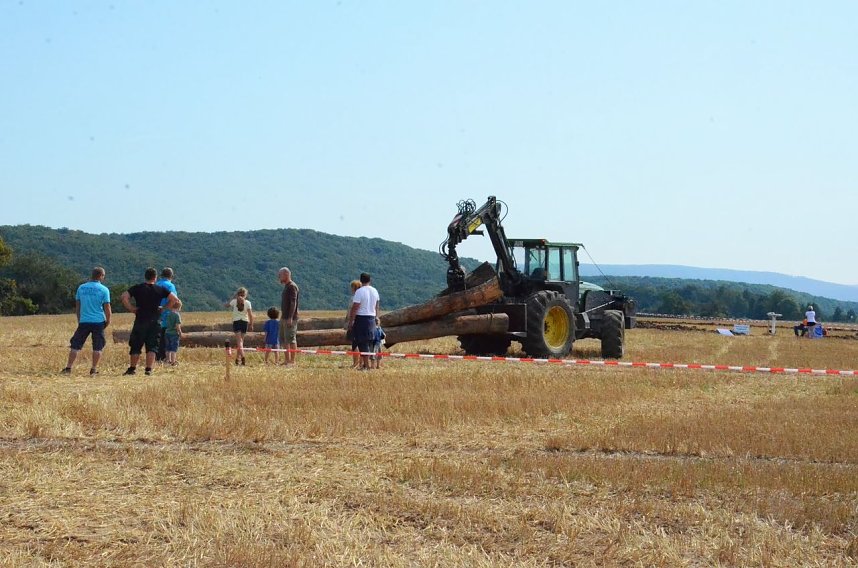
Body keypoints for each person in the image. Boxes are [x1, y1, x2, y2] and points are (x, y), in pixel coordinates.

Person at [121, 267, 179, 376]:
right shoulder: (159, 289)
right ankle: (148, 369)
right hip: (155, 320)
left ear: (145, 276)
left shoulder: (137, 288)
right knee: (152, 345)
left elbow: (124, 297)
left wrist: (132, 308)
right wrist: (164, 308)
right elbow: (174, 299)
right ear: (155, 278)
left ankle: (132, 368)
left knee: (136, 345)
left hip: (140, 319)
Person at [62, 266, 112, 375]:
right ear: (101, 276)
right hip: (98, 321)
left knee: (75, 345)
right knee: (98, 346)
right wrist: (108, 320)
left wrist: (80, 319)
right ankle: (93, 369)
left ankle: (68, 368)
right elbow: (107, 307)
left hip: (84, 320)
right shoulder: (104, 289)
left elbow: (78, 306)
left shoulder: (81, 288)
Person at [347, 272, 380, 370]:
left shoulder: (359, 292)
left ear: (361, 280)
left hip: (361, 318)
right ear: (370, 280)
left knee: (362, 342)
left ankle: (366, 365)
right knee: (370, 341)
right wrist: (377, 317)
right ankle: (369, 364)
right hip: (372, 318)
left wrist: (351, 321)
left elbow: (355, 307)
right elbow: (377, 306)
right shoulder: (375, 291)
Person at [278, 267, 300, 367]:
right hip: (284, 317)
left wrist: (290, 317)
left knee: (291, 339)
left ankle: (292, 361)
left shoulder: (292, 286)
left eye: (280, 275)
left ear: (286, 274)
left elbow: (293, 302)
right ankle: (287, 360)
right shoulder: (286, 286)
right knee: (284, 339)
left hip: (290, 318)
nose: (279, 277)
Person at [226, 287, 253, 365]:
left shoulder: (234, 301)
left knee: (239, 341)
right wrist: (251, 324)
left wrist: (233, 297)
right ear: (245, 295)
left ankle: (243, 357)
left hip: (237, 321)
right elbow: (250, 315)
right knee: (241, 341)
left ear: (238, 294)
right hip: (245, 322)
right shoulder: (248, 303)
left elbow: (226, 305)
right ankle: (238, 359)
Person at [155, 267, 177, 362]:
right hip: (167, 316)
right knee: (168, 340)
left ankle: (157, 357)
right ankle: (167, 359)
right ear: (171, 276)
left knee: (158, 339)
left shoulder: (156, 284)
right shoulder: (170, 286)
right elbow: (174, 300)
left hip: (156, 315)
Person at [346, 279, 362, 368]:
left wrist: (349, 322)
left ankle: (356, 362)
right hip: (360, 321)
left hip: (354, 322)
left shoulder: (354, 298)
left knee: (355, 343)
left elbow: (351, 311)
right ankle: (359, 362)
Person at [163, 299, 183, 366]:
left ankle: (168, 360)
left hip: (167, 332)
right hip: (174, 334)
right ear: (179, 307)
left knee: (168, 348)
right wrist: (180, 333)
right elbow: (177, 326)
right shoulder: (177, 315)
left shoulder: (168, 314)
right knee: (173, 348)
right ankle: (173, 362)